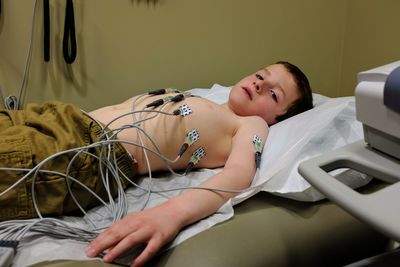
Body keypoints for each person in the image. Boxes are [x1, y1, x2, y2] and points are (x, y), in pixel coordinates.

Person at [0, 61, 312, 267]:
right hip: (59, 117)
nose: (258, 84)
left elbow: (238, 175)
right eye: (260, 75)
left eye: (273, 94)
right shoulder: (210, 102)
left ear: (279, 119)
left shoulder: (252, 126)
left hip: (84, 152)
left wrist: (170, 214)